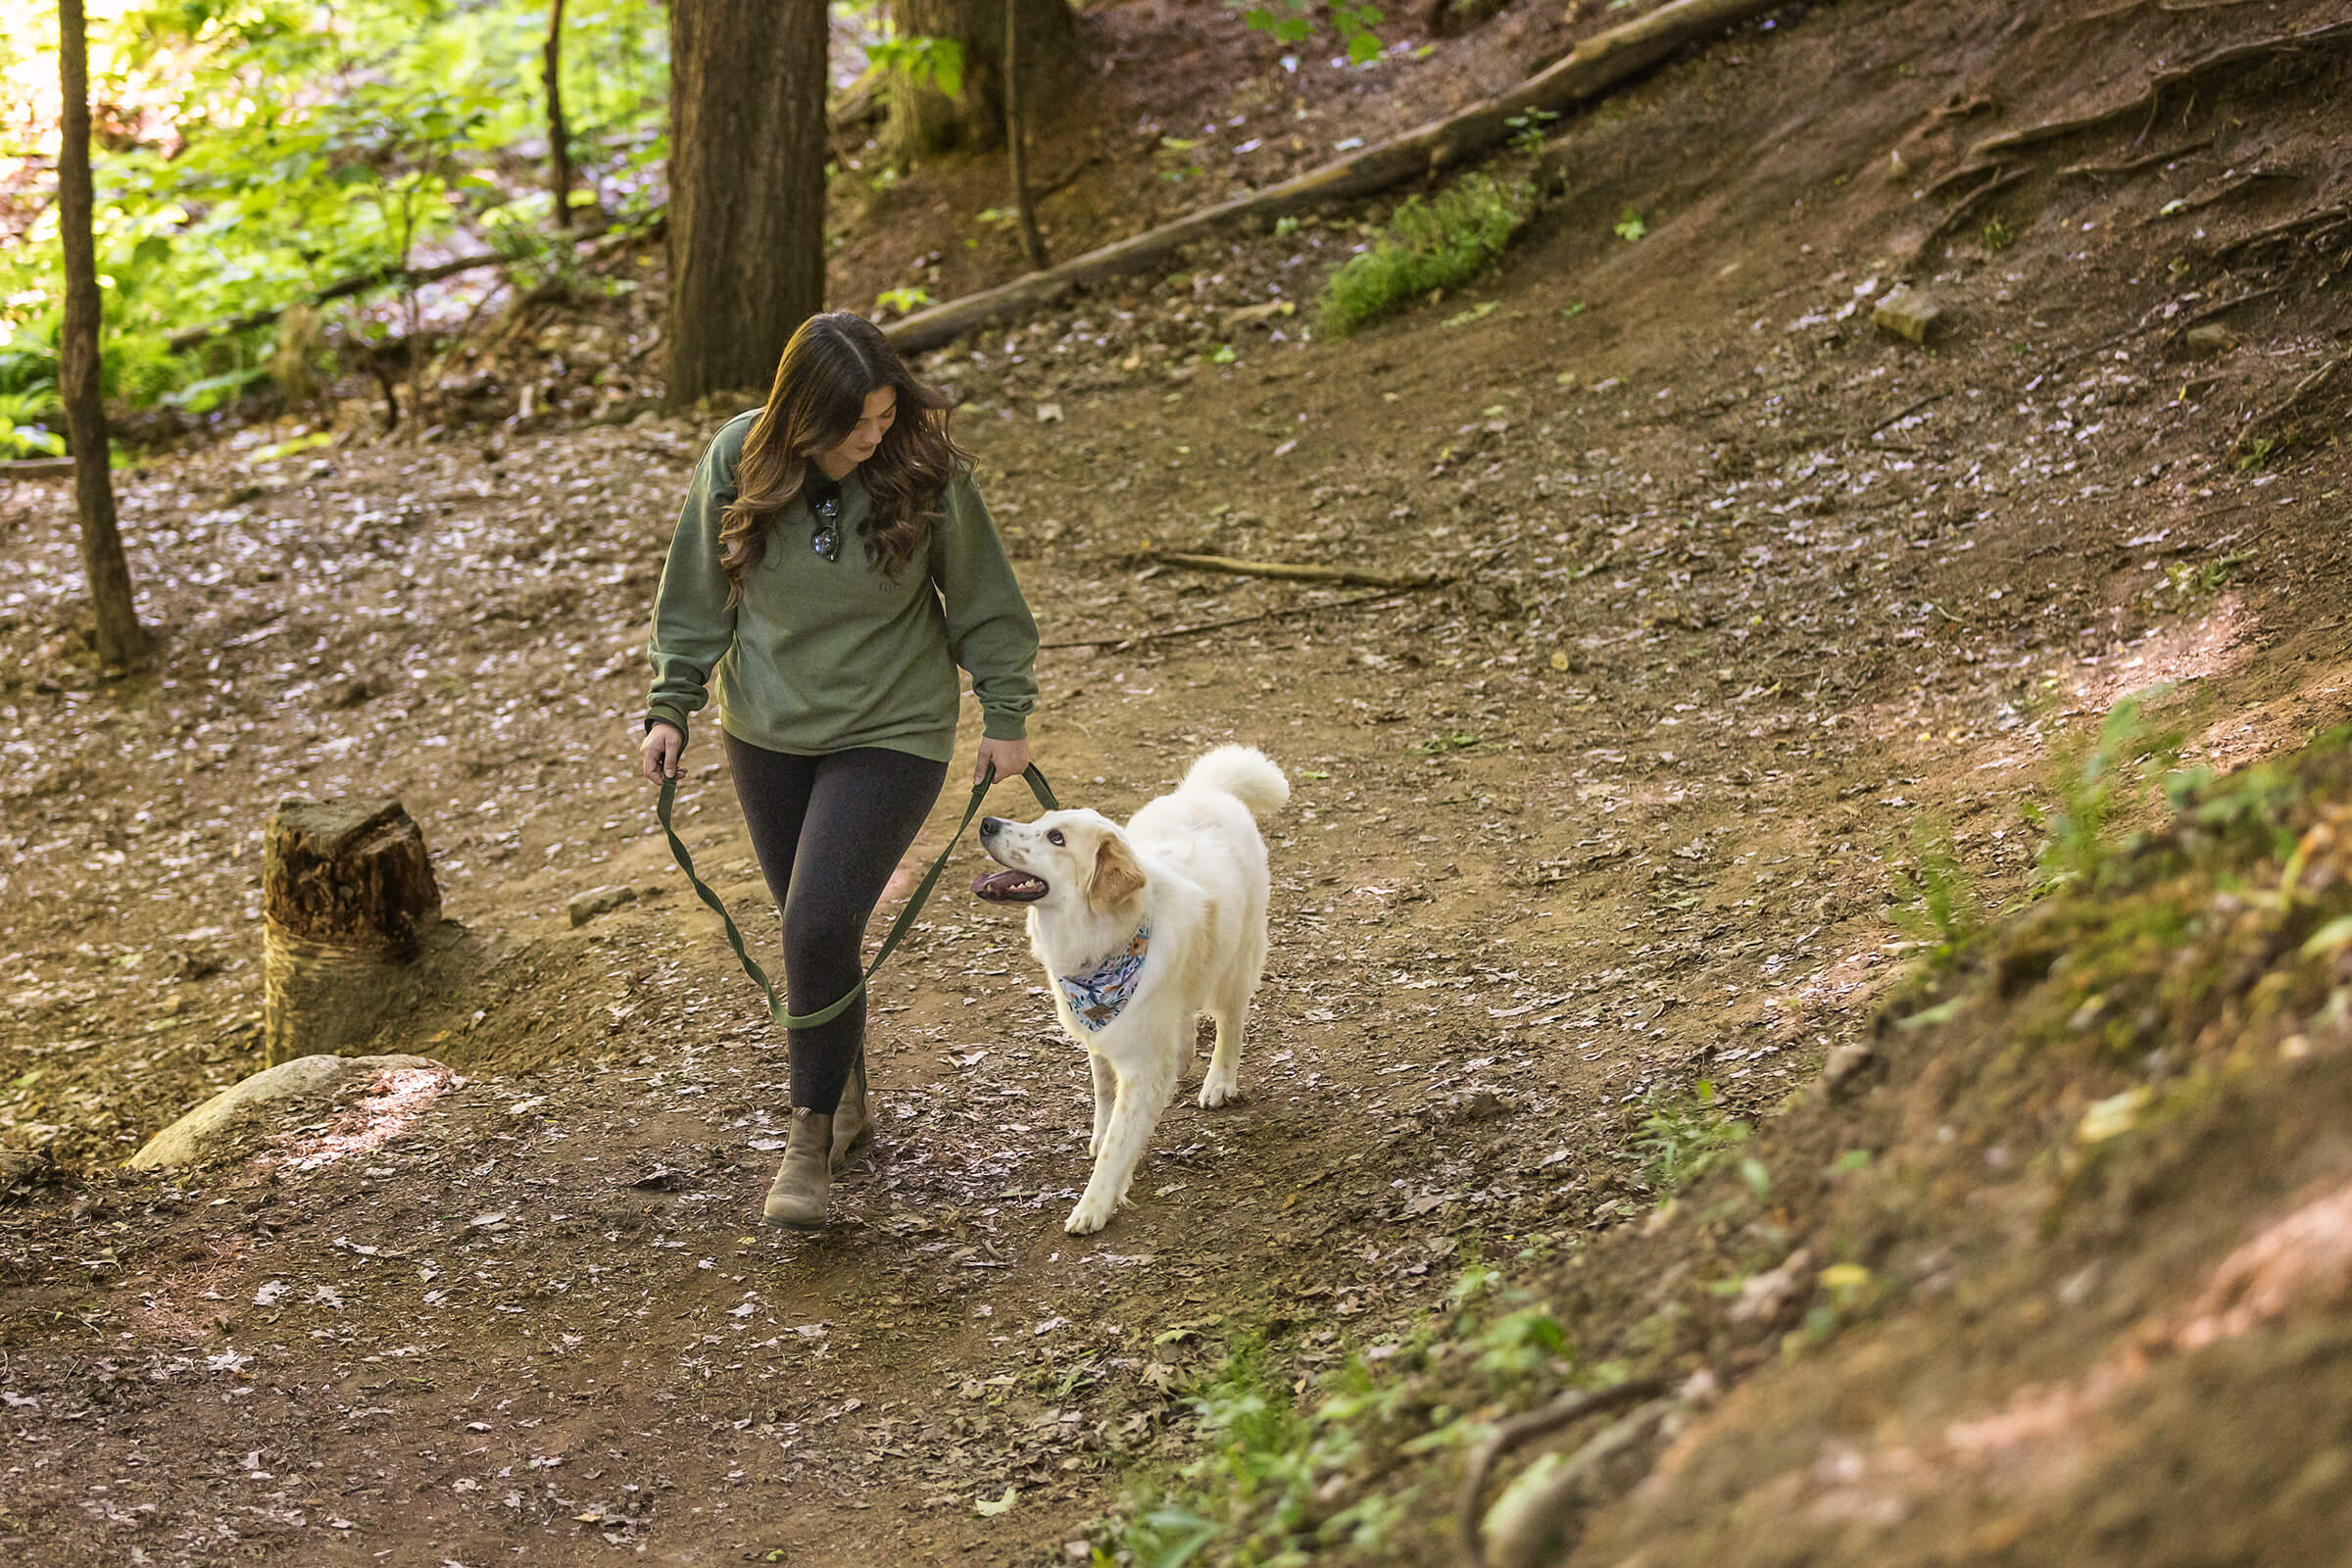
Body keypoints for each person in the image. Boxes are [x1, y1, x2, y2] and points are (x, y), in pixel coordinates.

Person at [640, 311, 1039, 1229]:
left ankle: (808, 1138)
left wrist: (1005, 710)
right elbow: (697, 591)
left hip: (892, 727)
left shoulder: (922, 467)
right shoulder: (739, 457)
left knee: (818, 920)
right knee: (812, 930)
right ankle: (847, 1086)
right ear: (800, 417)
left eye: (885, 414)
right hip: (767, 727)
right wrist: (672, 704)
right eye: (856, 423)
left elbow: (985, 595)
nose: (874, 436)